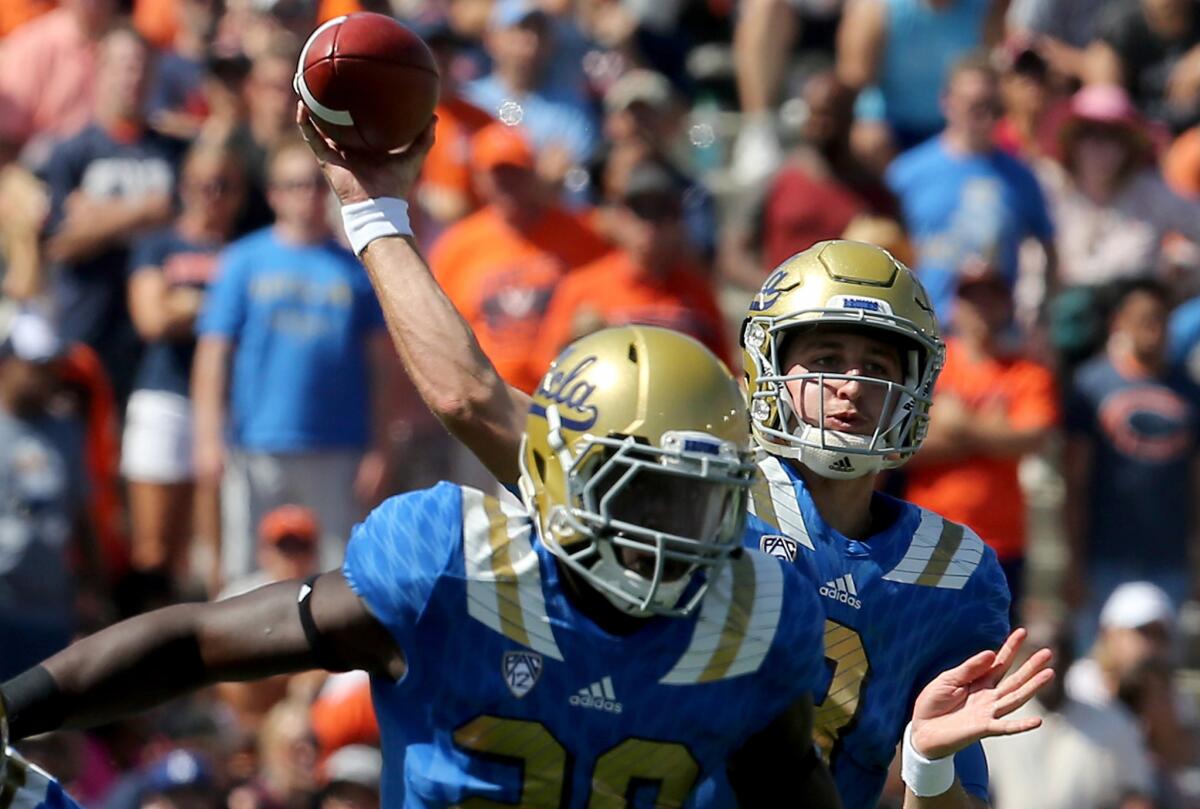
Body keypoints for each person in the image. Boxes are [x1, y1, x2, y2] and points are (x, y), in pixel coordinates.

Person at [291, 102, 1056, 809]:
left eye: (878, 367)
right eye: (824, 356)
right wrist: (373, 210)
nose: (849, 386)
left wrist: (924, 759)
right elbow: (475, 398)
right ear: (767, 370)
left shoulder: (954, 573)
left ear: (919, 386)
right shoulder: (688, 484)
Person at [2, 324, 852, 808]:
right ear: (555, 472)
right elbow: (197, 642)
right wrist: (13, 706)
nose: (665, 530)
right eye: (640, 493)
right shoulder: (458, 564)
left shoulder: (755, 614)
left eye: (693, 498)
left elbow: (784, 783)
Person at [191, 138, 394, 586]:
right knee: (247, 571)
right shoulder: (242, 261)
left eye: (316, 185)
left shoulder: (357, 270)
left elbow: (380, 365)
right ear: (274, 194)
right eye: (295, 185)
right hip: (256, 442)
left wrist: (380, 446)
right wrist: (207, 436)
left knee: (335, 572)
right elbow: (213, 354)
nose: (308, 196)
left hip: (337, 443)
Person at [39, 24, 185, 406]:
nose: (131, 76)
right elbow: (61, 243)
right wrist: (148, 210)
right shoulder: (70, 152)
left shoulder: (174, 151)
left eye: (140, 66)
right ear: (99, 69)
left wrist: (98, 218)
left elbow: (190, 221)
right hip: (86, 324)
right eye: (122, 64)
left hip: (157, 341)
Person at [123, 142, 246, 588]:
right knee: (154, 549)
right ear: (184, 186)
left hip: (228, 404)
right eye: (201, 184)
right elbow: (151, 317)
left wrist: (188, 303)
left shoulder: (246, 251)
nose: (211, 194)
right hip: (164, 395)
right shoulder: (158, 244)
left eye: (224, 185)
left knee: (216, 551)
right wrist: (222, 309)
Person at [904, 265, 1059, 617]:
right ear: (957, 306)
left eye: (992, 301)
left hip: (1001, 541)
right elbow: (903, 446)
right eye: (973, 301)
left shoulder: (1027, 372)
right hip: (930, 534)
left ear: (1006, 306)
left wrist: (958, 424)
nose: (982, 311)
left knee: (991, 647)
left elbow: (1033, 437)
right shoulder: (931, 365)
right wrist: (992, 431)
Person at [1064, 279, 1200, 647]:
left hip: (1167, 556)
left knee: (1156, 674)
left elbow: (1196, 482)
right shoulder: (1092, 386)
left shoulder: (1189, 391)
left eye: (1161, 320)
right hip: (1104, 556)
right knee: (1095, 665)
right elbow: (1075, 481)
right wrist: (1074, 562)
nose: (1154, 330)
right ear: (1119, 324)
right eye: (1144, 320)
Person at [429, 122, 609, 395]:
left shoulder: (583, 232)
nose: (507, 184)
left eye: (516, 172)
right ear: (478, 180)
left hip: (571, 391)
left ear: (533, 173)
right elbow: (439, 329)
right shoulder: (457, 246)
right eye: (498, 174)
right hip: (491, 397)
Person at [886, 53, 1056, 325]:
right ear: (947, 102)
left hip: (996, 333)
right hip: (925, 326)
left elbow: (1049, 246)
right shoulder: (907, 173)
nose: (985, 116)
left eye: (993, 106)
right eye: (975, 105)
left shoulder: (1021, 177)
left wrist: (1039, 315)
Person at [534, 159, 731, 372]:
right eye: (640, 210)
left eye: (661, 211)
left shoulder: (697, 292)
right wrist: (577, 344)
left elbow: (724, 372)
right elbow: (546, 368)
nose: (650, 225)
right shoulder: (582, 287)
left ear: (678, 221)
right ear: (620, 218)